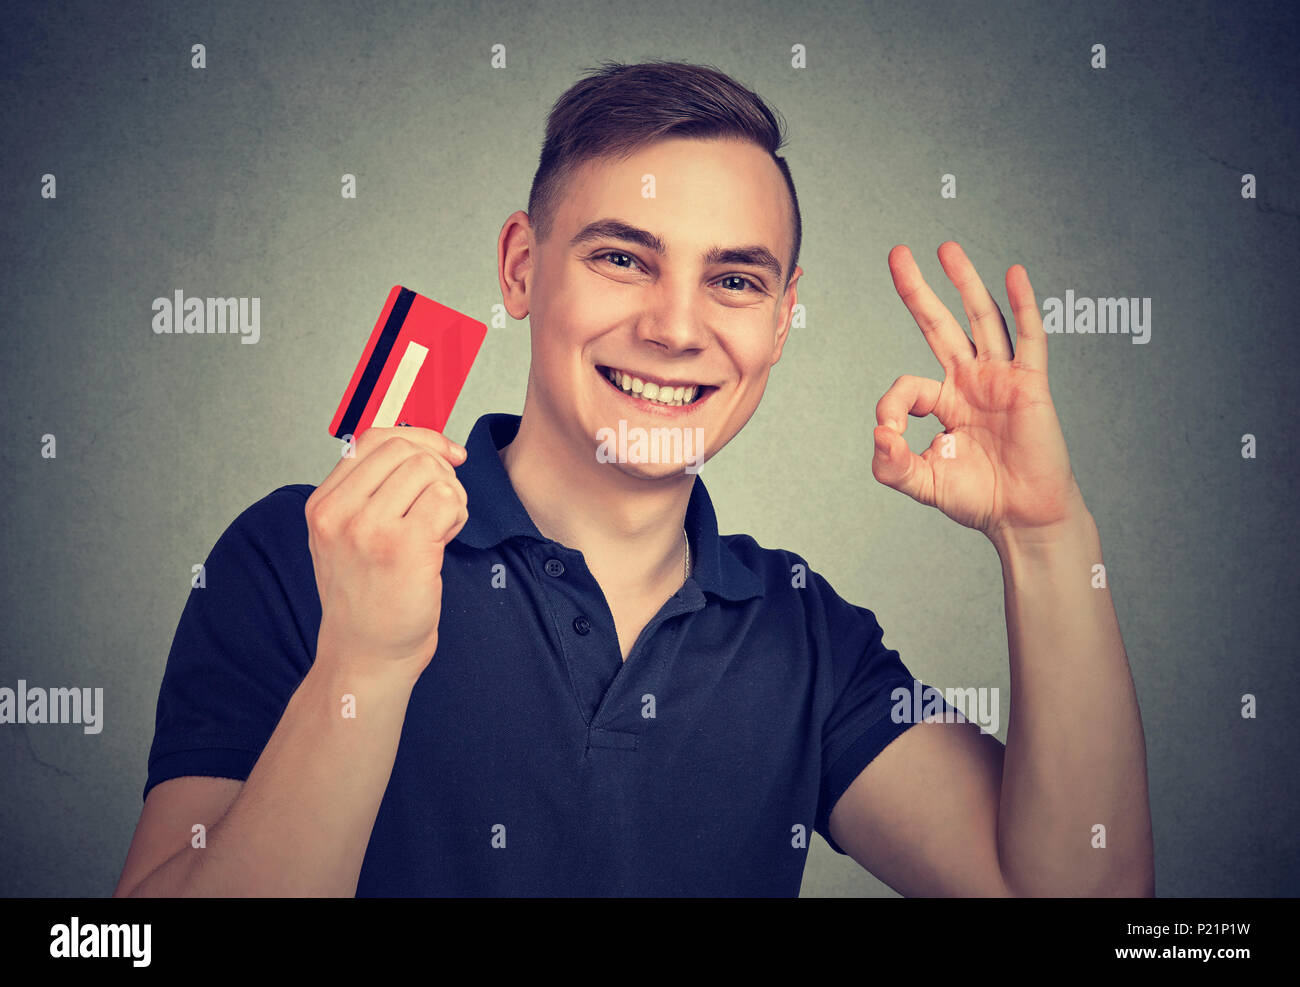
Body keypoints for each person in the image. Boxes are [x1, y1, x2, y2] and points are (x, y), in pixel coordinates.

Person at [114, 60, 1154, 897]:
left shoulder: (806, 638)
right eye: (623, 258)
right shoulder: (301, 552)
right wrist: (362, 668)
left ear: (784, 320)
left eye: (735, 280)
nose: (673, 327)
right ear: (522, 267)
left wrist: (1044, 537)